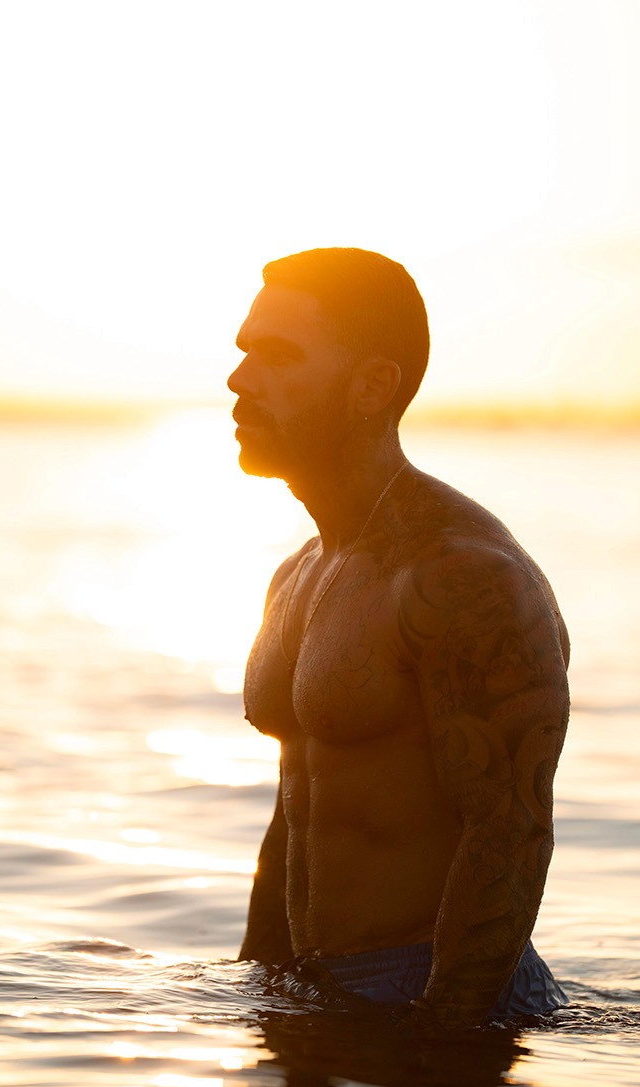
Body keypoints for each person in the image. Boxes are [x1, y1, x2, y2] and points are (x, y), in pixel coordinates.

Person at [230, 247, 570, 1028]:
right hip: (316, 990)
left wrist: (441, 1032)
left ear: (370, 387)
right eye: (244, 351)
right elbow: (294, 814)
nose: (239, 379)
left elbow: (509, 833)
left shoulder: (464, 579)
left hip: (439, 993)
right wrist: (257, 997)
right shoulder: (298, 573)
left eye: (278, 356)